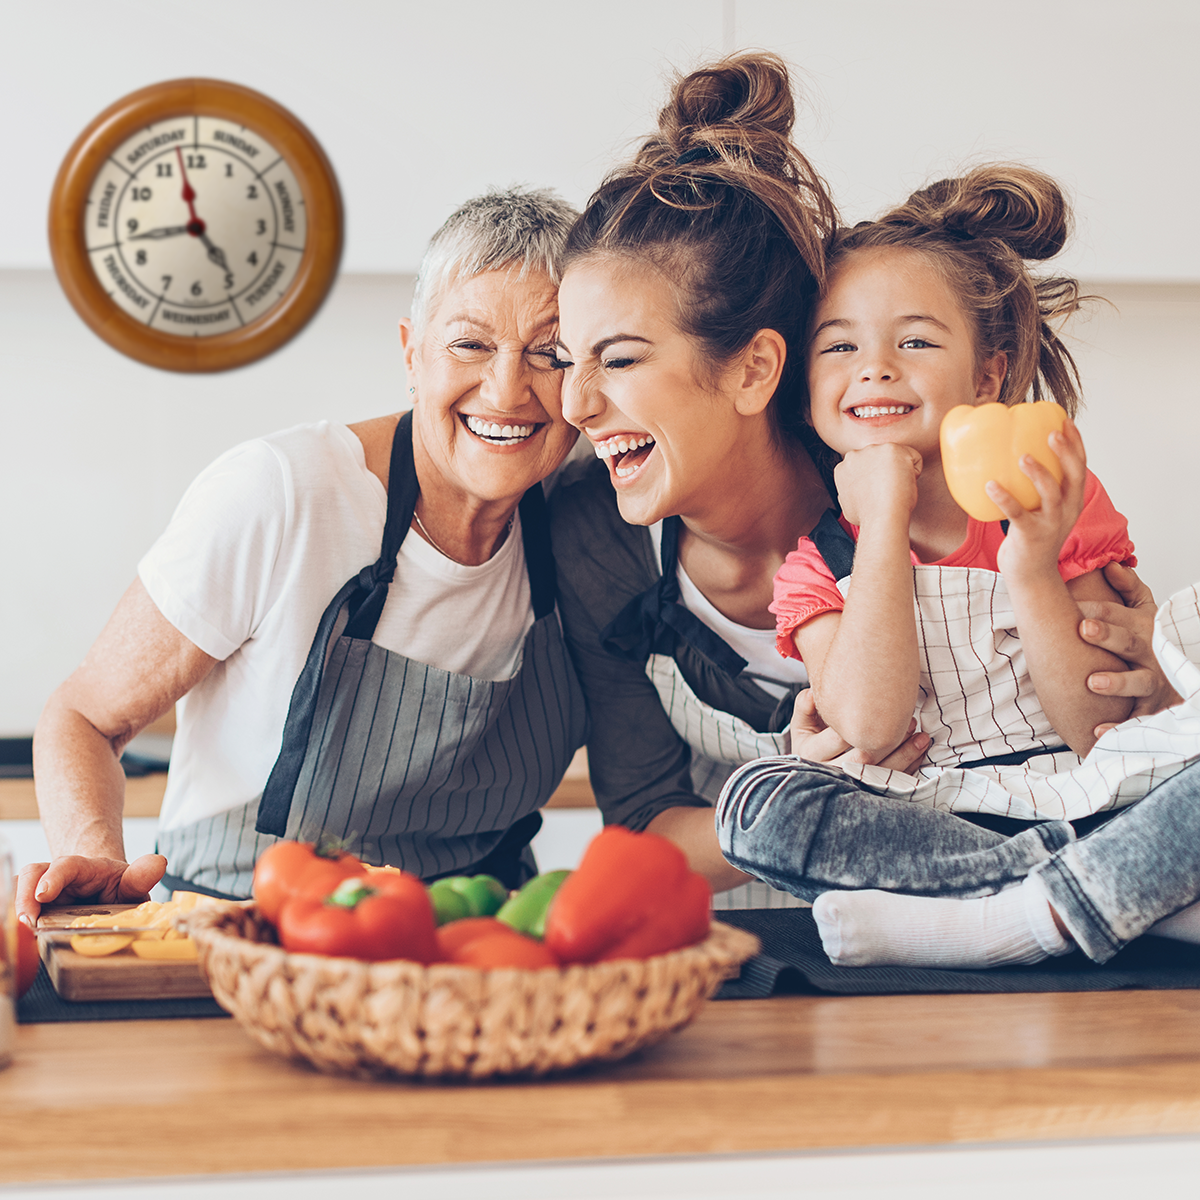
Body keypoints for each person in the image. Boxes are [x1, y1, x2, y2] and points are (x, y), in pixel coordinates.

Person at [18, 187, 587, 924]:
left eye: (551, 353)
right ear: (412, 353)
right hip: (239, 936)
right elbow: (83, 716)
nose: (509, 389)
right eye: (470, 344)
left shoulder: (593, 520)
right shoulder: (284, 494)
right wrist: (98, 855)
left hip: (477, 944)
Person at [550, 52, 931, 907]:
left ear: (754, 370)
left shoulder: (913, 495)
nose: (575, 403)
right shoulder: (595, 540)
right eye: (567, 359)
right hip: (730, 968)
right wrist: (791, 789)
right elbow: (646, 821)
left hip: (949, 946)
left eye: (618, 359)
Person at [769, 165, 1161, 824]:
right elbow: (870, 730)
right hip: (926, 833)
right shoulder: (816, 569)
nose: (875, 366)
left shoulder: (1049, 498)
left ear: (987, 376)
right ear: (805, 398)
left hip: (1071, 810)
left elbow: (1100, 726)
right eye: (839, 345)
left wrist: (1033, 567)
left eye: (915, 340)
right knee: (762, 813)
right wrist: (886, 523)